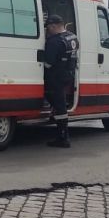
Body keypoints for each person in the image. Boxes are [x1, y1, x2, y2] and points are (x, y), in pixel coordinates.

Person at [43, 14, 79, 148]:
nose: (47, 31)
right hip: (68, 75)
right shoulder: (72, 37)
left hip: (55, 76)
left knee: (60, 106)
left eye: (48, 28)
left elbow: (48, 63)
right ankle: (60, 130)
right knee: (60, 103)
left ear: (53, 26)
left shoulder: (54, 41)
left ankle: (63, 137)